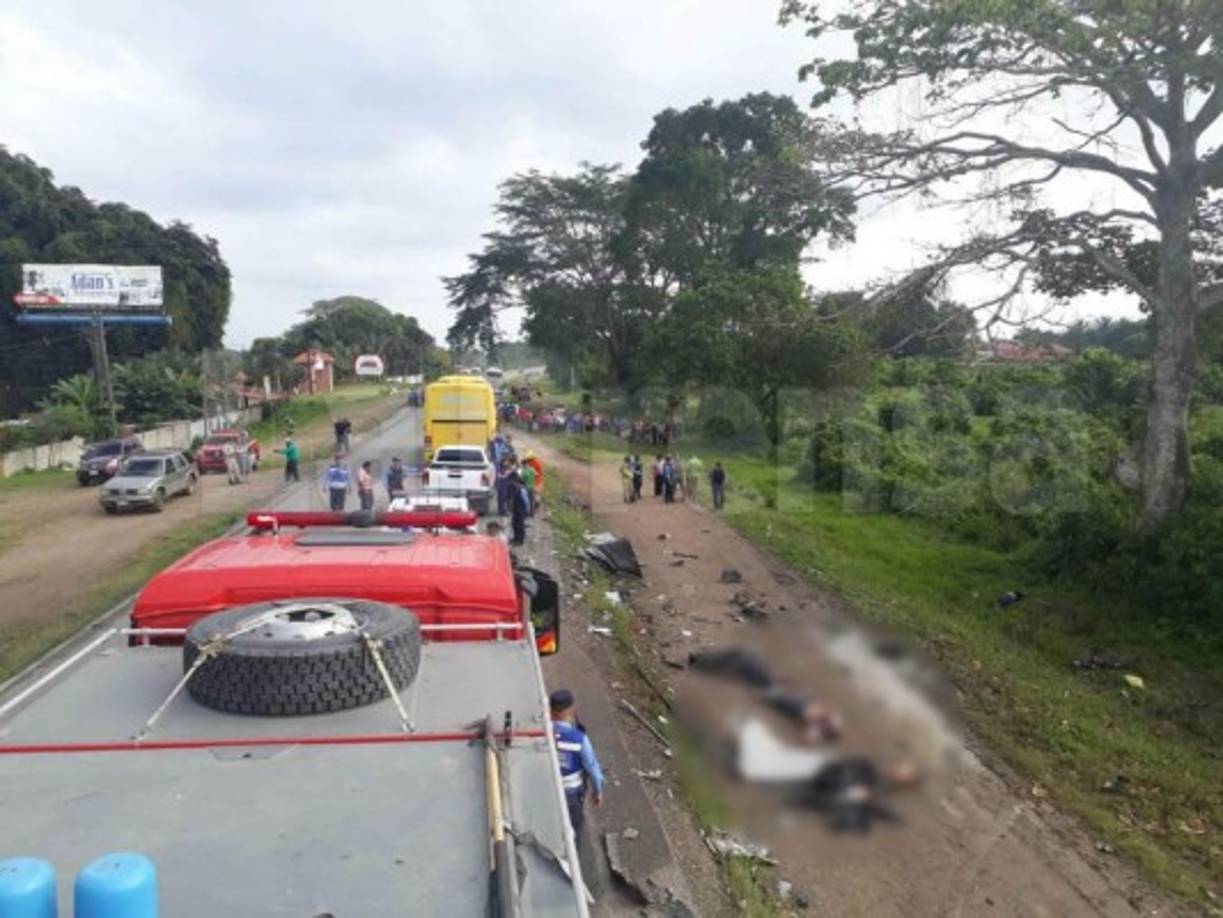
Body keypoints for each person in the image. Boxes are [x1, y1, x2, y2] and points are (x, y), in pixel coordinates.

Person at [549, 689, 605, 833]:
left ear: (550, 710)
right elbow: (592, 767)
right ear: (571, 710)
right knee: (574, 831)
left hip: (548, 789)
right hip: (571, 794)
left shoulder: (543, 732)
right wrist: (597, 791)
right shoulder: (578, 738)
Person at [509, 471, 530, 546]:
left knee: (520, 525)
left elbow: (526, 501)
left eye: (512, 481)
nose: (512, 483)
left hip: (521, 510)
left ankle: (520, 541)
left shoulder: (522, 490)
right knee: (515, 524)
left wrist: (527, 510)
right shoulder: (516, 488)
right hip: (516, 510)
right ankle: (515, 538)